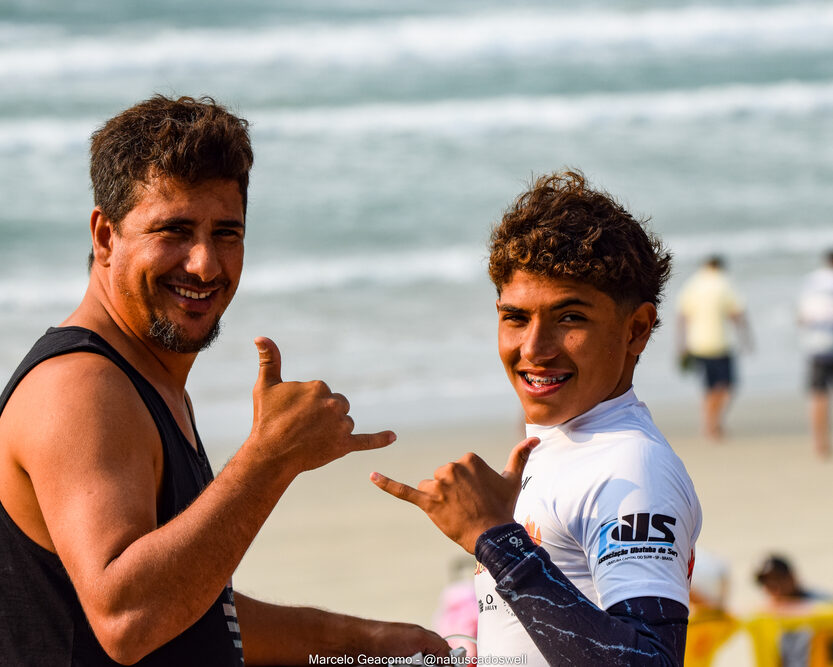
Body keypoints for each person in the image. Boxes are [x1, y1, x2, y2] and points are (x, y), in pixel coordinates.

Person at [0, 95, 449, 665]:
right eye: (175, 230)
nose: (206, 264)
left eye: (226, 233)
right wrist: (270, 458)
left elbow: (190, 605)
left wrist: (365, 642)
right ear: (105, 235)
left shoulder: (147, 377)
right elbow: (128, 617)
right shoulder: (80, 388)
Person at [371, 171, 702, 665]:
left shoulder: (631, 467)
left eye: (570, 318)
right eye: (516, 318)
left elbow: (650, 661)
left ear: (637, 330)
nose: (533, 349)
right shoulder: (563, 447)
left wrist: (494, 539)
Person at [677, 256, 752, 441]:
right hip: (720, 343)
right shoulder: (724, 283)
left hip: (698, 344)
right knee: (726, 386)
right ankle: (712, 424)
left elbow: (682, 315)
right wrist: (746, 337)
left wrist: (682, 344)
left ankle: (711, 425)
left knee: (709, 388)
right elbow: (736, 312)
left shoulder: (693, 284)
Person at [754, 555, 833, 667]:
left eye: (777, 579)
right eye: (765, 582)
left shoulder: (823, 607)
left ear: (792, 577)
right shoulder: (765, 616)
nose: (772, 587)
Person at [797, 251, 833, 458]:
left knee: (818, 394)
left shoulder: (810, 281)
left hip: (816, 345)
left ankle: (819, 443)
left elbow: (802, 317)